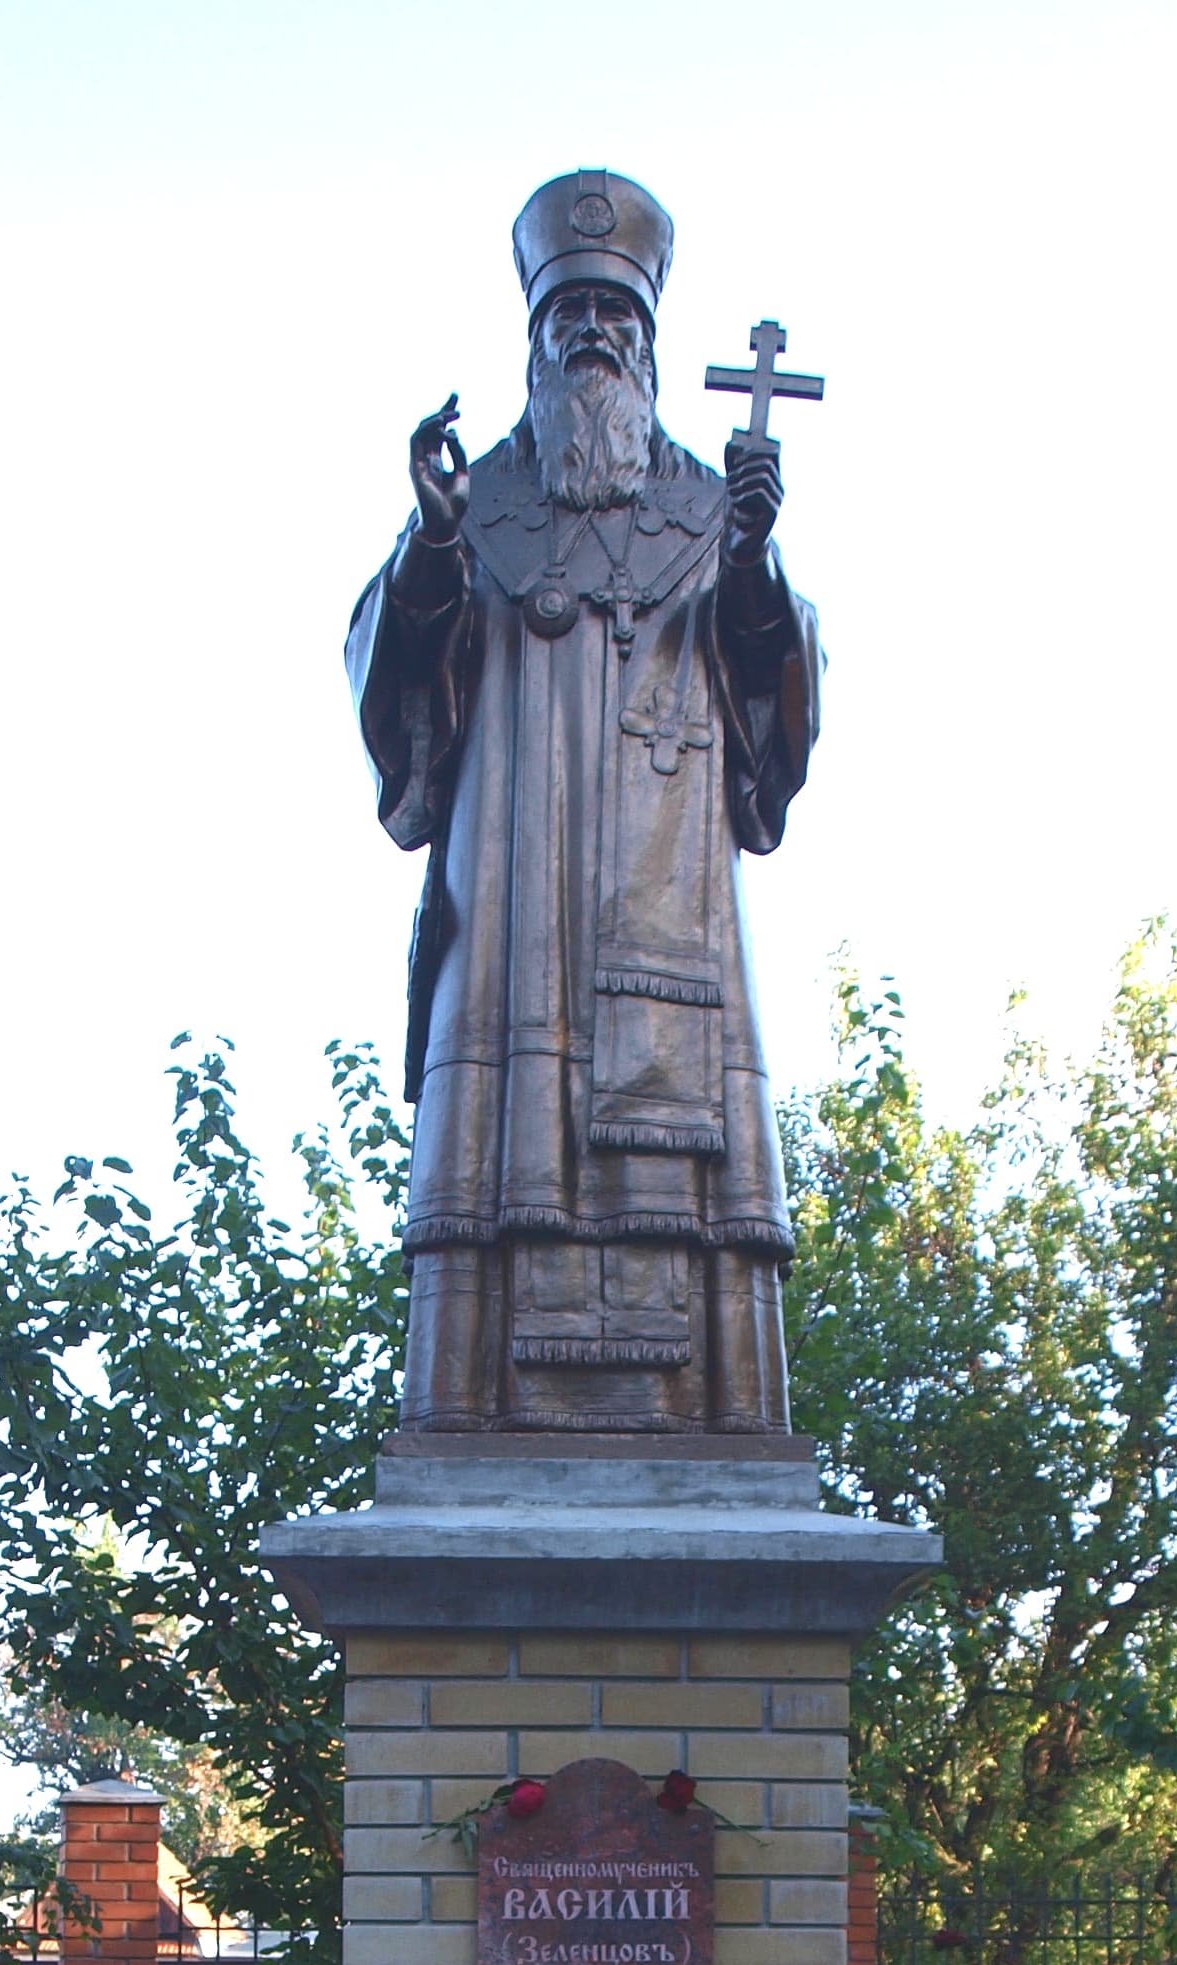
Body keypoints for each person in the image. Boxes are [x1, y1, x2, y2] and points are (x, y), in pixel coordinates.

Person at [348, 169, 821, 1439]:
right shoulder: (475, 506)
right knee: (501, 1128)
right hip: (510, 903)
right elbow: (394, 692)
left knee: (681, 1151)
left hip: (664, 901)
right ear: (536, 344)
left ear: (651, 343)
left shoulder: (711, 513)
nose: (595, 336)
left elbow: (772, 713)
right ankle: (469, 1414)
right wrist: (429, 546)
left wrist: (755, 566)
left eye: (618, 315)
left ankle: (709, 1422)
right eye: (573, 320)